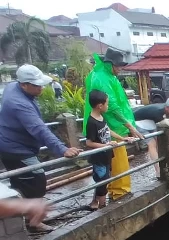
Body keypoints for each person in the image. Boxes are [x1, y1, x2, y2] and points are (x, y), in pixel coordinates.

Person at [0, 65, 81, 230]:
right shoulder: (19, 104)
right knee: (37, 180)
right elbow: (39, 129)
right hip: (16, 148)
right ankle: (32, 218)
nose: (41, 88)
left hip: (13, 143)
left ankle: (24, 216)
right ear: (24, 85)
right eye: (37, 85)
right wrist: (62, 149)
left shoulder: (13, 88)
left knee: (20, 182)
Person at [84, 48, 144, 201]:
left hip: (112, 128)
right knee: (118, 164)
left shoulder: (107, 75)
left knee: (111, 164)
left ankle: (111, 193)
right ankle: (120, 194)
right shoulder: (102, 78)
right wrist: (129, 125)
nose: (120, 69)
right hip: (110, 126)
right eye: (118, 66)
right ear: (110, 64)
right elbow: (113, 106)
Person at [85, 90, 136, 210]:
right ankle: (102, 208)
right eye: (107, 104)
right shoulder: (91, 122)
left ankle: (97, 203)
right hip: (99, 158)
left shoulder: (100, 117)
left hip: (107, 155)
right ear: (100, 106)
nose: (108, 106)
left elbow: (107, 130)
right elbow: (89, 143)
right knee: (102, 181)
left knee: (105, 178)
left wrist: (123, 138)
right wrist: (106, 145)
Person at [133, 97, 169, 178]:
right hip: (139, 124)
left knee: (158, 142)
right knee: (152, 144)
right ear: (167, 107)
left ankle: (164, 166)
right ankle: (158, 171)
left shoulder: (168, 112)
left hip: (151, 123)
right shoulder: (158, 113)